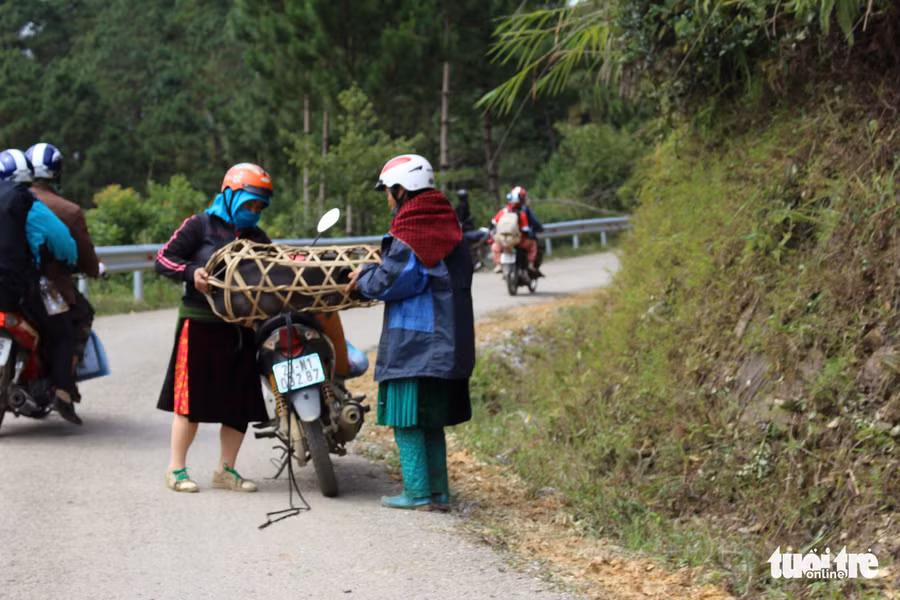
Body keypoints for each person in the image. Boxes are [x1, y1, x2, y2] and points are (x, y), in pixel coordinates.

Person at [348, 154, 475, 510]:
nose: (388, 200)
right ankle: (439, 493)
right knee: (432, 421)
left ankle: (417, 494)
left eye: (389, 192)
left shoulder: (411, 231)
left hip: (414, 343)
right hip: (450, 342)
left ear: (402, 190)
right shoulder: (449, 226)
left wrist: (363, 278)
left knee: (406, 420)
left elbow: (392, 280)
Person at [154, 163, 274, 493]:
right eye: (249, 204)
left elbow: (277, 267)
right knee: (190, 401)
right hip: (200, 324)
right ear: (230, 195)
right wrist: (191, 272)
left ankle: (226, 470)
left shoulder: (257, 238)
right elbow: (163, 259)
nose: (254, 212)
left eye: (259, 207)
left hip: (240, 328)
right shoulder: (199, 225)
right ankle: (176, 469)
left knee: (239, 403)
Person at [0, 148, 81, 424]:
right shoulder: (28, 203)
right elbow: (65, 245)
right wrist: (68, 261)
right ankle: (62, 392)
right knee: (62, 332)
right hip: (18, 288)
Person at [26, 143, 102, 396]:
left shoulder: (9, 201)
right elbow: (79, 254)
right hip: (51, 287)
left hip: (11, 281)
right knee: (77, 320)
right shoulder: (67, 210)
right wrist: (93, 269)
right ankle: (63, 387)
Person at [490, 185, 539, 275]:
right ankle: (530, 265)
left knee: (495, 246)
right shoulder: (522, 214)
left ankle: (498, 265)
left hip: (502, 241)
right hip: (517, 242)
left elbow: (493, 224)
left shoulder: (502, 212)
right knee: (533, 245)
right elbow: (525, 230)